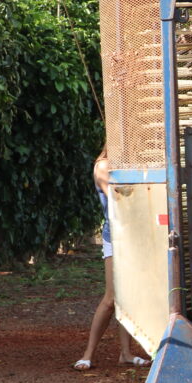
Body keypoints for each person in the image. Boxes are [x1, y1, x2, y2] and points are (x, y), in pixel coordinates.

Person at [75, 152, 149, 371]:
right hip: (116, 236)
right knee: (112, 297)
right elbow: (120, 201)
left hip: (136, 235)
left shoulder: (128, 166)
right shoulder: (103, 166)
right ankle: (88, 354)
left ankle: (125, 354)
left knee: (128, 298)